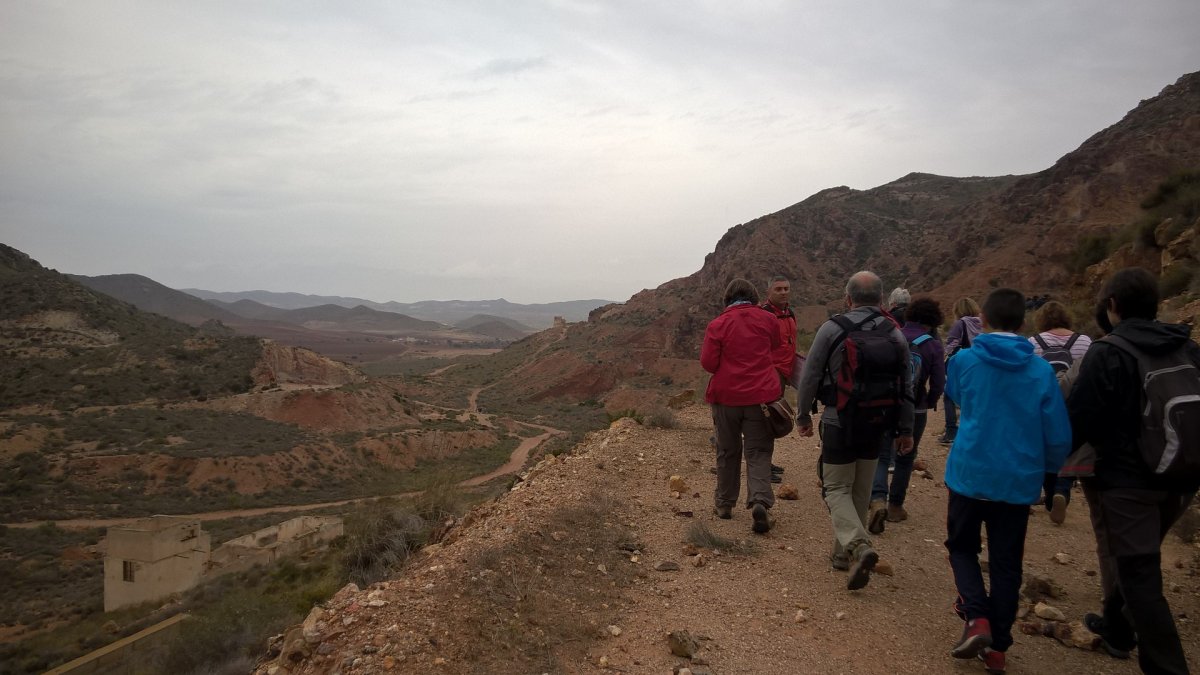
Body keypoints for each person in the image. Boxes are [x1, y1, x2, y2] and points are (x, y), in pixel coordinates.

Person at [1067, 267, 1200, 673]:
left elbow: (1082, 420)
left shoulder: (1108, 352)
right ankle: (1117, 628)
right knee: (1136, 559)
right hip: (1184, 474)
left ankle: (1168, 667)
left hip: (1128, 483)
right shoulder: (1189, 347)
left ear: (1112, 306)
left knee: (1139, 572)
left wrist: (1050, 466)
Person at [943, 288, 1070, 675]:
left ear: (982, 319)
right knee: (1006, 562)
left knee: (962, 546)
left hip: (969, 473)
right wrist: (1049, 477)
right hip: (1018, 481)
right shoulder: (1040, 370)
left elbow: (954, 394)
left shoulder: (965, 360)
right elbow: (1058, 436)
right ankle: (997, 646)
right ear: (1023, 322)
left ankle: (976, 617)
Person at [795, 271, 914, 590]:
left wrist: (803, 414)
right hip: (877, 424)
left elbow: (809, 375)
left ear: (848, 299)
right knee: (861, 491)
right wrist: (906, 429)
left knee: (835, 489)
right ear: (881, 298)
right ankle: (842, 556)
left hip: (838, 421)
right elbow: (906, 386)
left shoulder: (833, 328)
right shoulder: (895, 333)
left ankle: (858, 547)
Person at [701, 278, 782, 535]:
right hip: (760, 398)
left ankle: (724, 504)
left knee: (727, 450)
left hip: (726, 399)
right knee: (758, 451)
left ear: (727, 299)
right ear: (754, 297)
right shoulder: (768, 320)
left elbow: (708, 364)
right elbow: (776, 345)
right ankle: (759, 501)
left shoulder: (718, 324)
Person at [870, 297, 945, 531]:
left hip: (886, 402)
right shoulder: (932, 345)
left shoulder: (893, 336)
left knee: (882, 454)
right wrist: (929, 401)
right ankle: (895, 507)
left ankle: (877, 499)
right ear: (933, 320)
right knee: (905, 456)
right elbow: (939, 382)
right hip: (916, 407)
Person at [1028, 300, 1093, 525]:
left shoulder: (1033, 342)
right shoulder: (1085, 342)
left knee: (1043, 448)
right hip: (1073, 405)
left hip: (1042, 404)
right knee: (1069, 448)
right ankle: (1061, 491)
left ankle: (1043, 493)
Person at [761, 276, 798, 484]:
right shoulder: (764, 315)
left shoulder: (789, 313)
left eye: (786, 288)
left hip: (784, 373)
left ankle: (767, 461)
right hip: (769, 374)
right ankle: (762, 465)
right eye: (779, 289)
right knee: (766, 420)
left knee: (774, 419)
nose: (783, 292)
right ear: (769, 292)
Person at [939, 297, 982, 445]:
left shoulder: (960, 323)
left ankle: (951, 432)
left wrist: (944, 360)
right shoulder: (982, 323)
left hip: (962, 364)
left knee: (950, 395)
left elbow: (952, 345)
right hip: (980, 365)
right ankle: (971, 432)